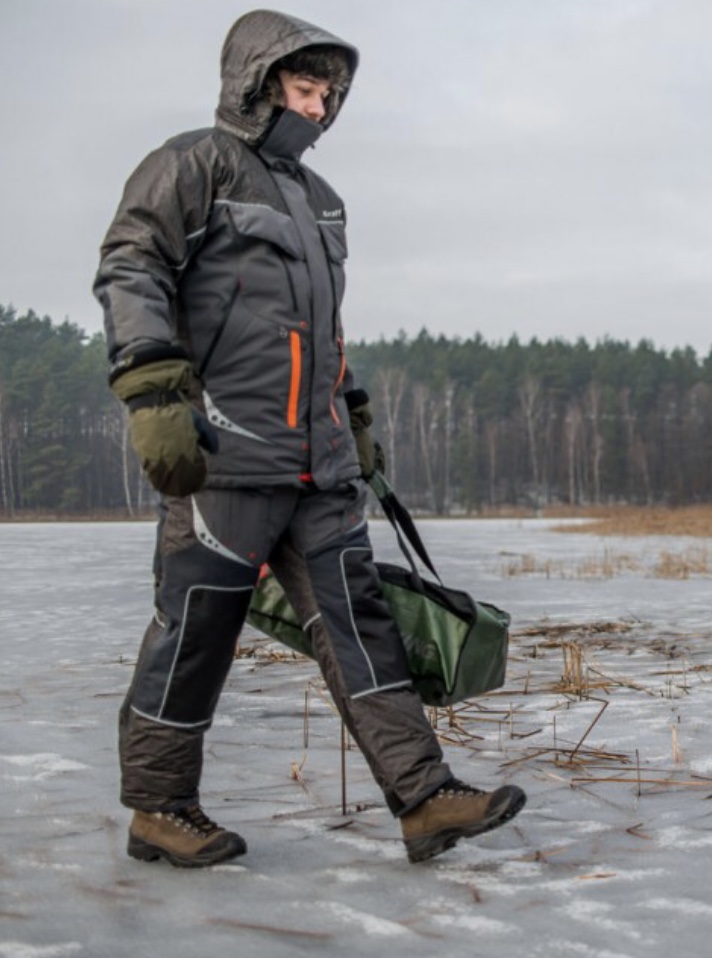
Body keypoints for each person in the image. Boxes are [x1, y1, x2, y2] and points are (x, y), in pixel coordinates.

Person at [94, 9, 525, 868]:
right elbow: (130, 266)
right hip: (223, 455)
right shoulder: (191, 165)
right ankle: (159, 808)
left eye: (329, 94)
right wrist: (152, 396)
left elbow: (316, 329)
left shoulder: (320, 200)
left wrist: (352, 415)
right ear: (258, 84)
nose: (320, 107)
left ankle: (424, 797)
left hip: (316, 464)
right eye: (305, 87)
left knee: (361, 627)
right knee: (196, 634)